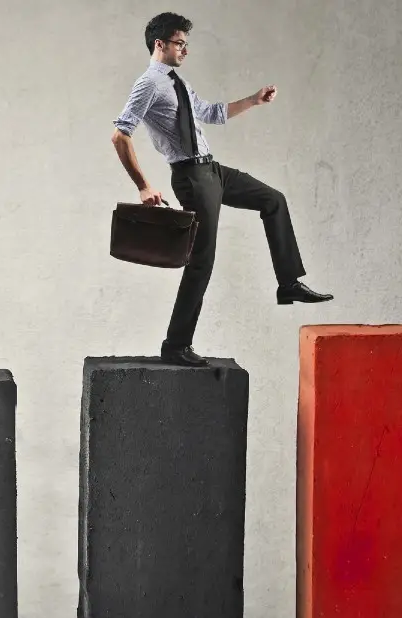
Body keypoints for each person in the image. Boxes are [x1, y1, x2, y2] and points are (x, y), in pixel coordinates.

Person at [111, 12, 332, 367]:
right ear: (160, 44)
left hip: (212, 170)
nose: (185, 49)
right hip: (191, 177)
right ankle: (176, 346)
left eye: (186, 43)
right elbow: (120, 135)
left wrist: (254, 100)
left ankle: (288, 282)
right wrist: (143, 186)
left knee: (273, 200)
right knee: (202, 259)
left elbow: (210, 112)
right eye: (180, 43)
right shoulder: (149, 84)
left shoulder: (175, 82)